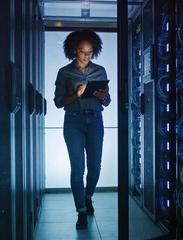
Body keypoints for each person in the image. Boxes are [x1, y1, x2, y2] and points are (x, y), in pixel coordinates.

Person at [53, 29, 111, 229]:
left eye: (90, 51)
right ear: (73, 51)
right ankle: (81, 212)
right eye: (82, 51)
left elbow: (107, 100)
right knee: (77, 169)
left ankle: (88, 197)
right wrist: (76, 95)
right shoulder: (64, 72)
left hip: (95, 120)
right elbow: (59, 103)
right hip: (73, 122)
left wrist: (104, 97)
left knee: (95, 167)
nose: (87, 55)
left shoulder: (100, 70)